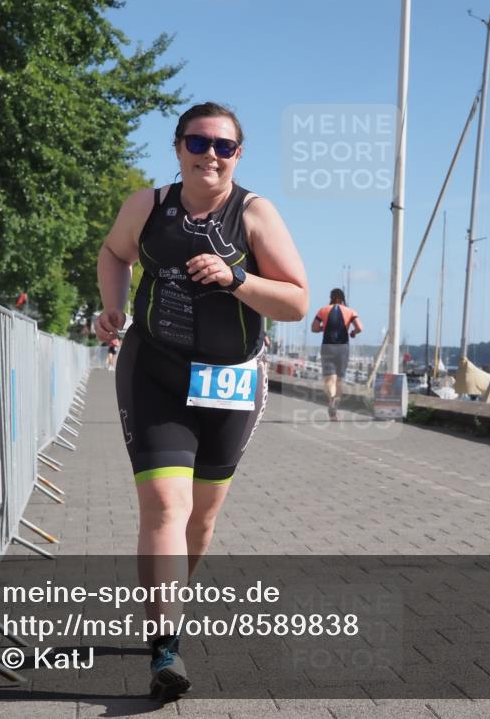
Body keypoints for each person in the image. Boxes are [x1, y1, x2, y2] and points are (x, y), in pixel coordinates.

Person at [94, 102, 308, 700]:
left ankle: (170, 605)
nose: (210, 154)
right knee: (165, 505)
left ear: (238, 155)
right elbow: (115, 254)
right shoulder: (148, 206)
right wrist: (113, 303)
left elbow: (295, 300)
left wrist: (237, 278)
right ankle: (164, 643)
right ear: (178, 147)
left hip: (229, 383)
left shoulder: (255, 215)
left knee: (201, 520)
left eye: (224, 146)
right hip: (154, 369)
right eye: (198, 142)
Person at [311, 288, 362, 420]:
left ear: (331, 297)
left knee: (329, 378)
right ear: (342, 298)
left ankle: (331, 399)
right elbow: (359, 327)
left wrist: (324, 328)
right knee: (339, 379)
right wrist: (353, 333)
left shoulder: (323, 310)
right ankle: (334, 410)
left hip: (327, 347)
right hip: (343, 348)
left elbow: (314, 328)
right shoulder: (350, 311)